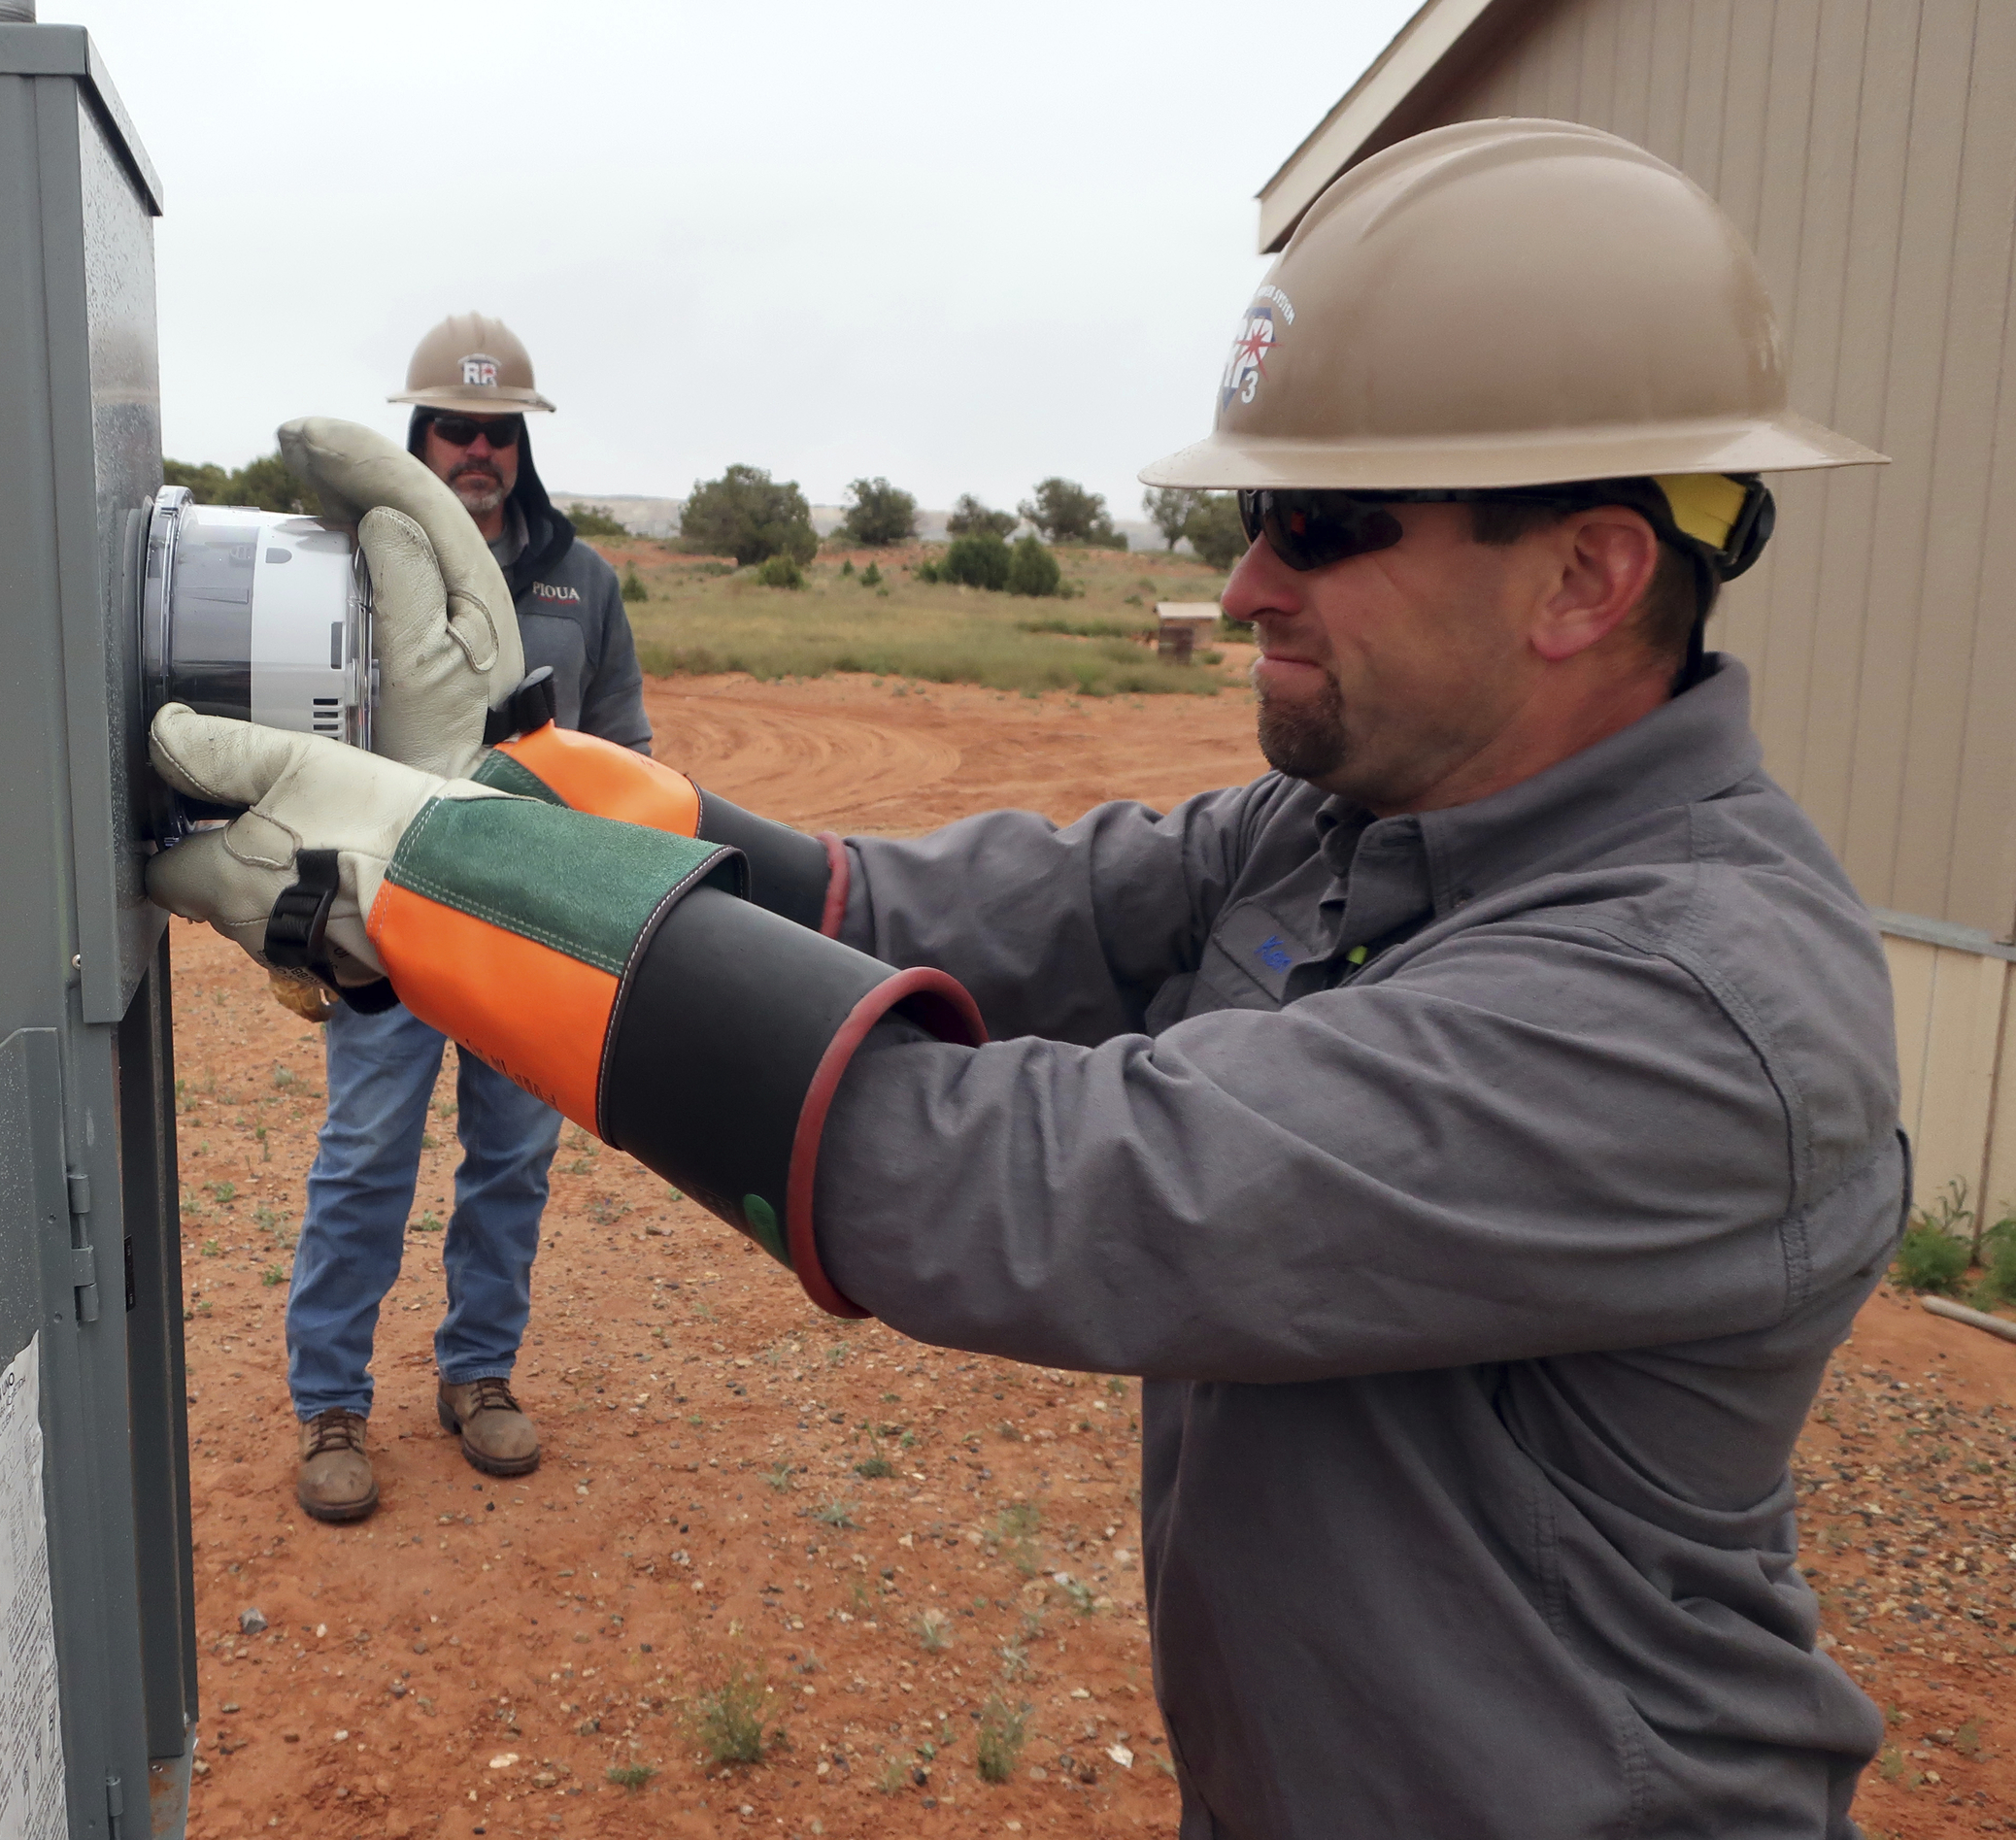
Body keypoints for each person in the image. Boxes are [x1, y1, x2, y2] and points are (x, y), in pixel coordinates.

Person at [154, 122, 1901, 1835]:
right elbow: (912, 903)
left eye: (1320, 521)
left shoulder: (1692, 1008)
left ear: (1587, 573)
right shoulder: (1355, 822)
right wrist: (519, 789)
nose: (1243, 585)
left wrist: (459, 890)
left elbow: (1035, 1179)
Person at [276, 313, 651, 1525]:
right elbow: (306, 748)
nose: (476, 451)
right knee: (365, 1156)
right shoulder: (345, 565)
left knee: (515, 1159)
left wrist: (615, 900)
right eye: (455, 427)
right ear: (419, 435)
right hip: (388, 918)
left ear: (520, 442)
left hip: (530, 924)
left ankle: (478, 1374)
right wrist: (300, 913)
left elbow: (623, 755)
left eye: (498, 432)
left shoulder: (579, 581)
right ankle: (331, 1399)